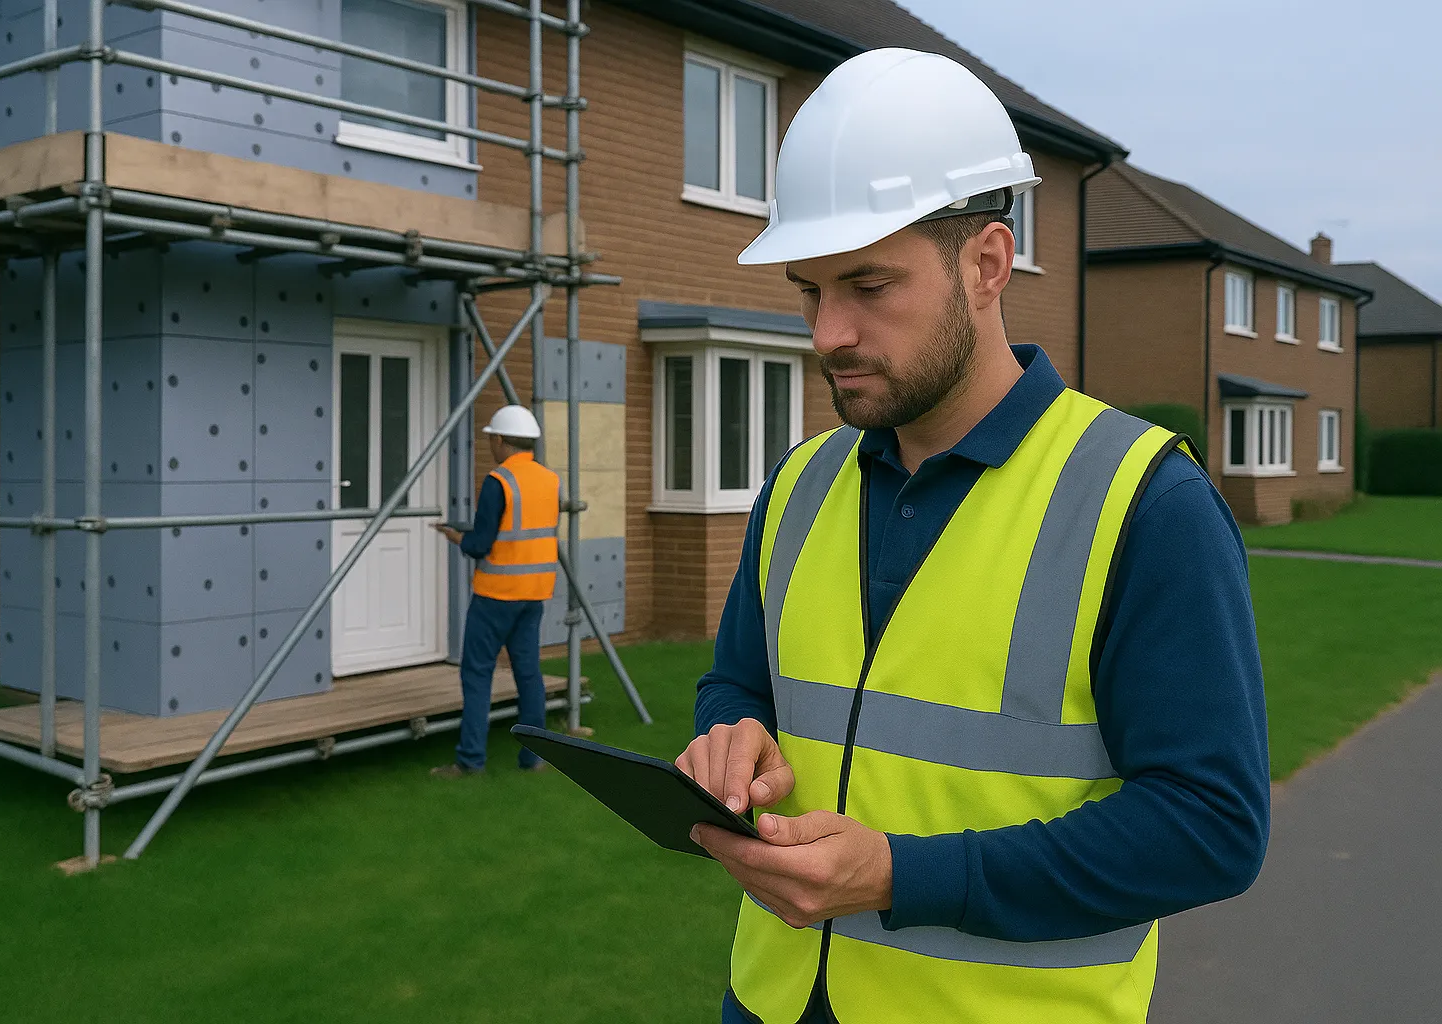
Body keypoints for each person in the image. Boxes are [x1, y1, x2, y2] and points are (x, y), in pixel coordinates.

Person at [675, 49, 1270, 1024]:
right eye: (809, 290)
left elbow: (1211, 827)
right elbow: (739, 684)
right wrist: (734, 740)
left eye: (868, 286)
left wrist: (901, 875)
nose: (828, 333)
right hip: (771, 1003)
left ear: (987, 264)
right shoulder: (798, 485)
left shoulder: (1147, 504)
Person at [431, 404, 560, 777]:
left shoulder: (498, 480)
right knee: (529, 674)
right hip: (534, 593)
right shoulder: (551, 480)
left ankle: (471, 760)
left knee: (477, 674)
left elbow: (480, 544)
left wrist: (457, 536)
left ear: (500, 440)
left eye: (492, 439)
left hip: (495, 596)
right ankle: (533, 758)